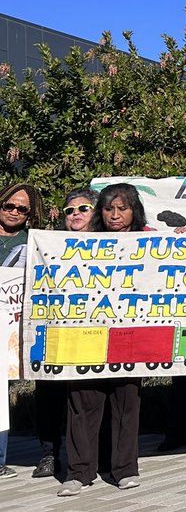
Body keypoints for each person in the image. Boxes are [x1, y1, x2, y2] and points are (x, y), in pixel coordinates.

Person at [59, 183, 149, 496]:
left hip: (129, 336)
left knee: (126, 402)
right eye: (109, 209)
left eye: (122, 209)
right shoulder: (86, 241)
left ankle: (124, 470)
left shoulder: (151, 240)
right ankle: (79, 472)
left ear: (134, 211)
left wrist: (182, 237)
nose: (114, 215)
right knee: (82, 402)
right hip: (87, 335)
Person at [32, 189, 96, 479]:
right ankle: (49, 453)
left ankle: (91, 454)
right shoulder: (49, 244)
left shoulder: (116, 242)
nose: (75, 214)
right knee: (49, 393)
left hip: (93, 332)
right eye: (69, 211)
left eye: (83, 208)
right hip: (56, 331)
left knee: (89, 397)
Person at [1, 182, 44, 480]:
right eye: (9, 205)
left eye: (22, 209)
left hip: (8, 328)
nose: (14, 211)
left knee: (0, 395)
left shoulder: (34, 243)